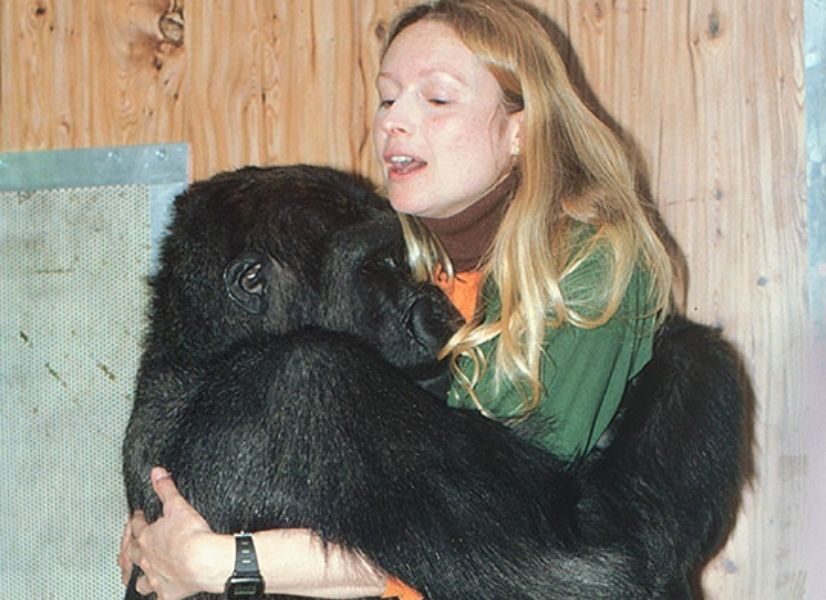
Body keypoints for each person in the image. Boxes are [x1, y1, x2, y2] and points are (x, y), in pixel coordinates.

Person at [119, 0, 673, 598]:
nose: (393, 122)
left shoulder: (587, 265)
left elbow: (512, 543)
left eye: (436, 99)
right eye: (387, 98)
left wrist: (221, 561)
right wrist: (166, 542)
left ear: (520, 129)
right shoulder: (410, 260)